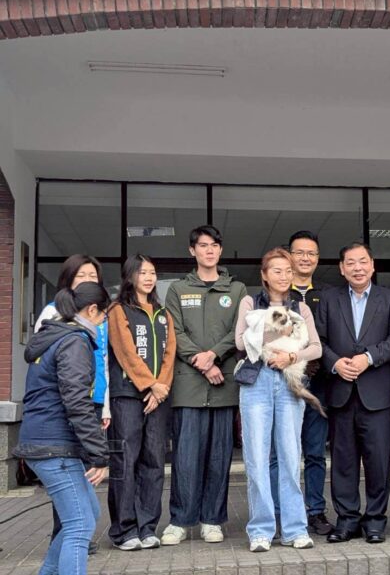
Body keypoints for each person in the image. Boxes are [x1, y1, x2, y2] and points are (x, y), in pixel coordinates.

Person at [14, 282, 111, 575]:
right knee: (80, 524)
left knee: (87, 513)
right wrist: (99, 455)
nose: (103, 322)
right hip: (54, 446)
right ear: (92, 310)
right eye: (103, 315)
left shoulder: (55, 336)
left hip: (45, 440)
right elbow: (77, 402)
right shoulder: (74, 342)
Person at [161, 225, 247, 545]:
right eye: (202, 245)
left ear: (220, 250)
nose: (209, 251)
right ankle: (180, 521)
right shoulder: (178, 290)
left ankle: (212, 519)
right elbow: (174, 331)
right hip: (188, 386)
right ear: (192, 250)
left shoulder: (236, 289)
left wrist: (214, 356)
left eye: (214, 245)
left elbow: (238, 331)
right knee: (185, 457)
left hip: (224, 385)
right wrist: (202, 361)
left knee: (219, 456)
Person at [235, 247, 322, 552]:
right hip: (256, 383)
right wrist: (279, 336)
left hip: (289, 383)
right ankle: (260, 530)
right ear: (264, 275)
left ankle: (295, 529)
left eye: (288, 271)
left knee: (290, 456)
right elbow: (240, 342)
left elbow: (316, 347)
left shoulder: (301, 307)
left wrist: (291, 356)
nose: (284, 276)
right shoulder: (249, 302)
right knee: (257, 458)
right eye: (277, 271)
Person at [315, 242, 390, 544]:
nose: (357, 268)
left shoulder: (389, 298)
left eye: (363, 261)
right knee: (343, 461)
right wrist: (335, 363)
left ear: (372, 265)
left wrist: (369, 357)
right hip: (340, 392)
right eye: (350, 263)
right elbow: (318, 340)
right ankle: (347, 520)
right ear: (342, 268)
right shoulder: (329, 299)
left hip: (376, 394)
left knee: (378, 462)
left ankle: (375, 520)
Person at [34, 254, 110, 555]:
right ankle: (72, 538)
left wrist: (104, 406)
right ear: (68, 280)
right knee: (69, 489)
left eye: (93, 276)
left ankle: (75, 536)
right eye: (82, 276)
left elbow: (103, 361)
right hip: (66, 410)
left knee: (81, 489)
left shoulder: (93, 320)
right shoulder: (58, 319)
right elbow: (51, 372)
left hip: (90, 401)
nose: (88, 280)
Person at [107, 255, 176, 550]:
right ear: (130, 276)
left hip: (158, 398)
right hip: (127, 396)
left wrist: (160, 389)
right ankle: (124, 530)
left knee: (154, 462)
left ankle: (147, 527)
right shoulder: (118, 310)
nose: (148, 278)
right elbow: (125, 351)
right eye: (142, 272)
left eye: (152, 273)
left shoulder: (163, 313)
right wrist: (149, 384)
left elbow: (171, 353)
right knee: (125, 461)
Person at [270, 230, 333, 535]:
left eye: (311, 253)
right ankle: (280, 512)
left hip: (318, 383)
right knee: (280, 452)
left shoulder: (329, 294)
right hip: (283, 382)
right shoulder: (278, 294)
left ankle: (315, 511)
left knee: (315, 451)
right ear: (289, 255)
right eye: (299, 252)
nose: (305, 258)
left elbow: (330, 338)